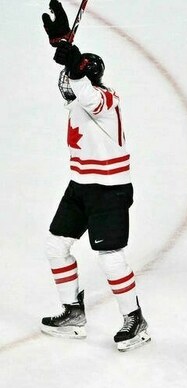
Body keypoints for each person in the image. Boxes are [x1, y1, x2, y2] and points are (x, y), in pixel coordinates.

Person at [39, 0, 150, 351]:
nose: (66, 83)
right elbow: (76, 85)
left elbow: (86, 92)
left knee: (110, 257)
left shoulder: (104, 100)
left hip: (109, 190)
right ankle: (73, 314)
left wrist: (71, 57)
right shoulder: (77, 102)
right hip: (81, 187)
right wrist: (63, 48)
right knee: (56, 245)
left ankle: (135, 321)